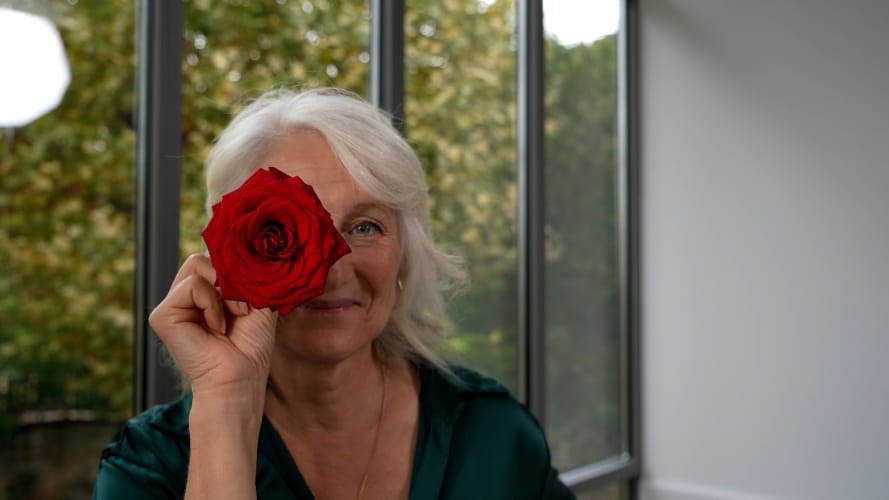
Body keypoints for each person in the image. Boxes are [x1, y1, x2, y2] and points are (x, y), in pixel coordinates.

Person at [93, 88, 575, 499]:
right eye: (294, 227)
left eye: (365, 226)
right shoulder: (149, 467)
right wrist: (224, 401)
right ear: (232, 254)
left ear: (405, 252)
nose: (333, 267)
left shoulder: (494, 437)